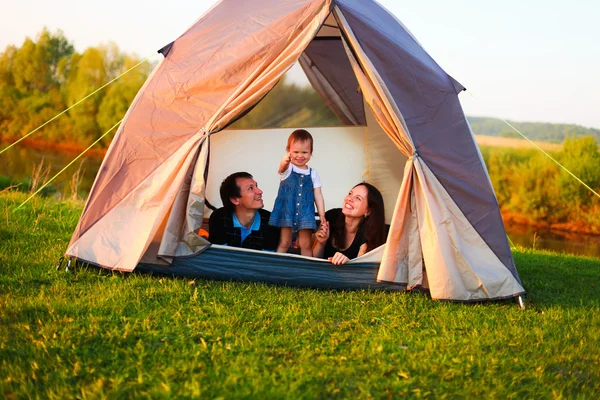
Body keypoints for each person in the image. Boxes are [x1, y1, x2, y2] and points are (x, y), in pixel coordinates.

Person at [269, 129, 326, 256]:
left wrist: (322, 214)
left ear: (311, 153)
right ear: (288, 151)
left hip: (305, 213)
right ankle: (276, 266)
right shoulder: (288, 168)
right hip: (287, 210)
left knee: (305, 243)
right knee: (285, 241)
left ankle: (308, 268)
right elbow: (281, 168)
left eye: (305, 152)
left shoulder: (313, 173)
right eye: (295, 152)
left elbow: (318, 195)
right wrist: (285, 161)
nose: (300, 156)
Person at [313, 182, 386, 265]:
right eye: (350, 193)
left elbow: (360, 273)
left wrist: (349, 264)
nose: (349, 199)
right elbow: (312, 262)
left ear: (368, 211)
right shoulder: (331, 217)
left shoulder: (368, 234)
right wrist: (321, 243)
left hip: (345, 277)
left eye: (358, 198)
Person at [208, 172, 280, 251]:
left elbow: (266, 259)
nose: (260, 191)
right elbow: (218, 255)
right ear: (235, 200)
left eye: (256, 186)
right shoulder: (219, 218)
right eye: (250, 188)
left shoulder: (271, 222)